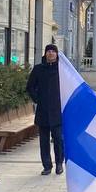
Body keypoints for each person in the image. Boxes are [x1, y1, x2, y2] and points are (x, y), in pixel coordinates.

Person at [27, 43, 64, 175]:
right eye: (48, 51)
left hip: (57, 111)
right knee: (44, 141)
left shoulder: (61, 70)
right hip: (43, 111)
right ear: (45, 54)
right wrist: (37, 99)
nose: (51, 53)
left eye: (53, 51)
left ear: (57, 54)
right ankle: (47, 166)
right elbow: (30, 87)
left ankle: (59, 163)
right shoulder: (38, 69)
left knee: (58, 139)